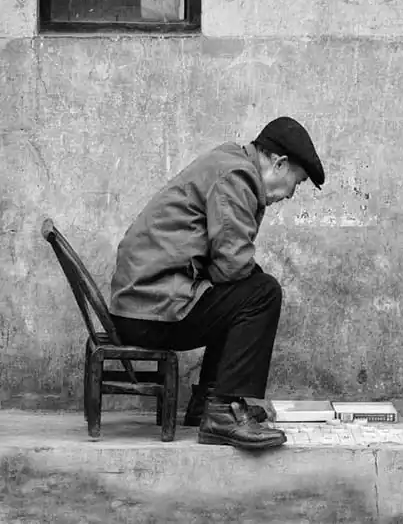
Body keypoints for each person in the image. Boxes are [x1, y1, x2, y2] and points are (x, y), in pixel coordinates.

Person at [108, 117, 325, 450]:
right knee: (263, 293)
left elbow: (227, 264)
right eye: (297, 181)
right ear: (279, 163)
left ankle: (209, 403)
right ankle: (223, 412)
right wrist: (250, 278)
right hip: (151, 308)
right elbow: (232, 264)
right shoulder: (236, 176)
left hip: (145, 303)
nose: (292, 194)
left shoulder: (230, 162)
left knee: (246, 291)